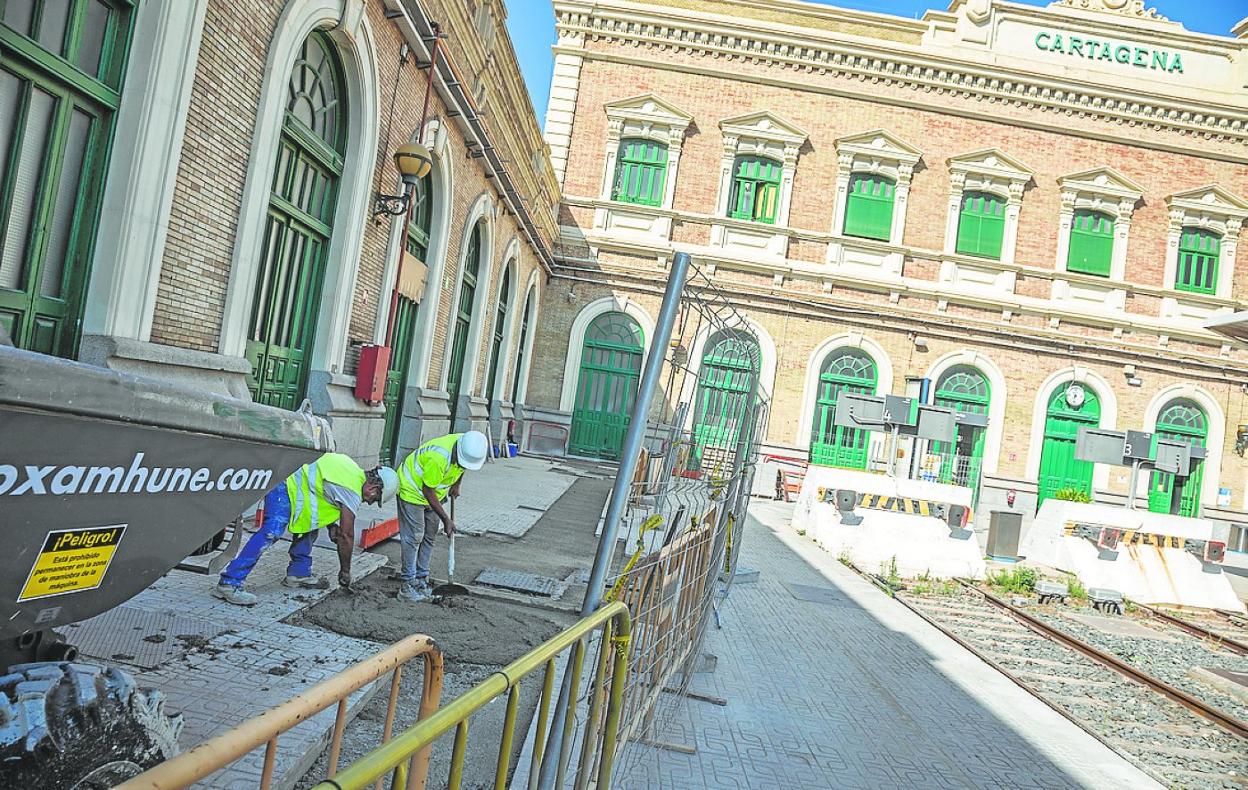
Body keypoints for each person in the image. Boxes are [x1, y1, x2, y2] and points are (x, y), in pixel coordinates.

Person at [213, 453, 398, 606]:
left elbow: (322, 487)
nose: (369, 502)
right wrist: (345, 571)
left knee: (310, 527)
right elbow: (347, 535)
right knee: (272, 531)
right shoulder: (351, 490)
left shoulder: (350, 467)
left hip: (296, 485)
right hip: (285, 484)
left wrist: (330, 525)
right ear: (373, 487)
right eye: (374, 499)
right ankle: (229, 583)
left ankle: (298, 573)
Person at [395, 431, 488, 603]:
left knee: (429, 536)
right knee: (415, 536)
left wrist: (456, 485)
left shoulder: (467, 445)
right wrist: (446, 519)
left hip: (434, 492)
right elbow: (427, 490)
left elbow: (462, 466)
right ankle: (407, 585)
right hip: (412, 489)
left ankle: (421, 579)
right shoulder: (439, 458)